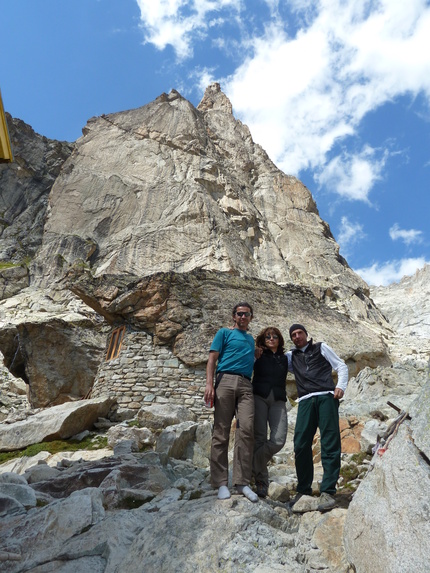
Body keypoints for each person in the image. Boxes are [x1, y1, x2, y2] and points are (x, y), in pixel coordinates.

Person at [286, 323, 348, 511]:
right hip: (305, 400)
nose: (297, 336)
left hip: (326, 397)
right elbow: (275, 363)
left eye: (299, 333)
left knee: (330, 440)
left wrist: (341, 386)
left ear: (306, 334)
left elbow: (341, 365)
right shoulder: (290, 356)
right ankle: (303, 490)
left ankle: (328, 491)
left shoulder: (321, 347)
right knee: (301, 443)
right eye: (293, 335)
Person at [204, 302, 258, 502]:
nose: (243, 317)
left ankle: (242, 482)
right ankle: (220, 483)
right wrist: (209, 385)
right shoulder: (223, 333)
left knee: (246, 429)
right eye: (239, 314)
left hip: (246, 384)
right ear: (234, 316)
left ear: (251, 317)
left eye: (246, 314)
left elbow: (254, 356)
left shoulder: (251, 340)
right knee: (221, 432)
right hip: (224, 380)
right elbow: (212, 359)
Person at [252, 326, 289, 498]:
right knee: (259, 438)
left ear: (280, 340)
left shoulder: (286, 358)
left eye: (274, 336)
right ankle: (261, 482)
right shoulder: (257, 355)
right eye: (268, 337)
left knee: (279, 440)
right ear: (263, 339)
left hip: (278, 400)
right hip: (259, 397)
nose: (271, 339)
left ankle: (252, 463)